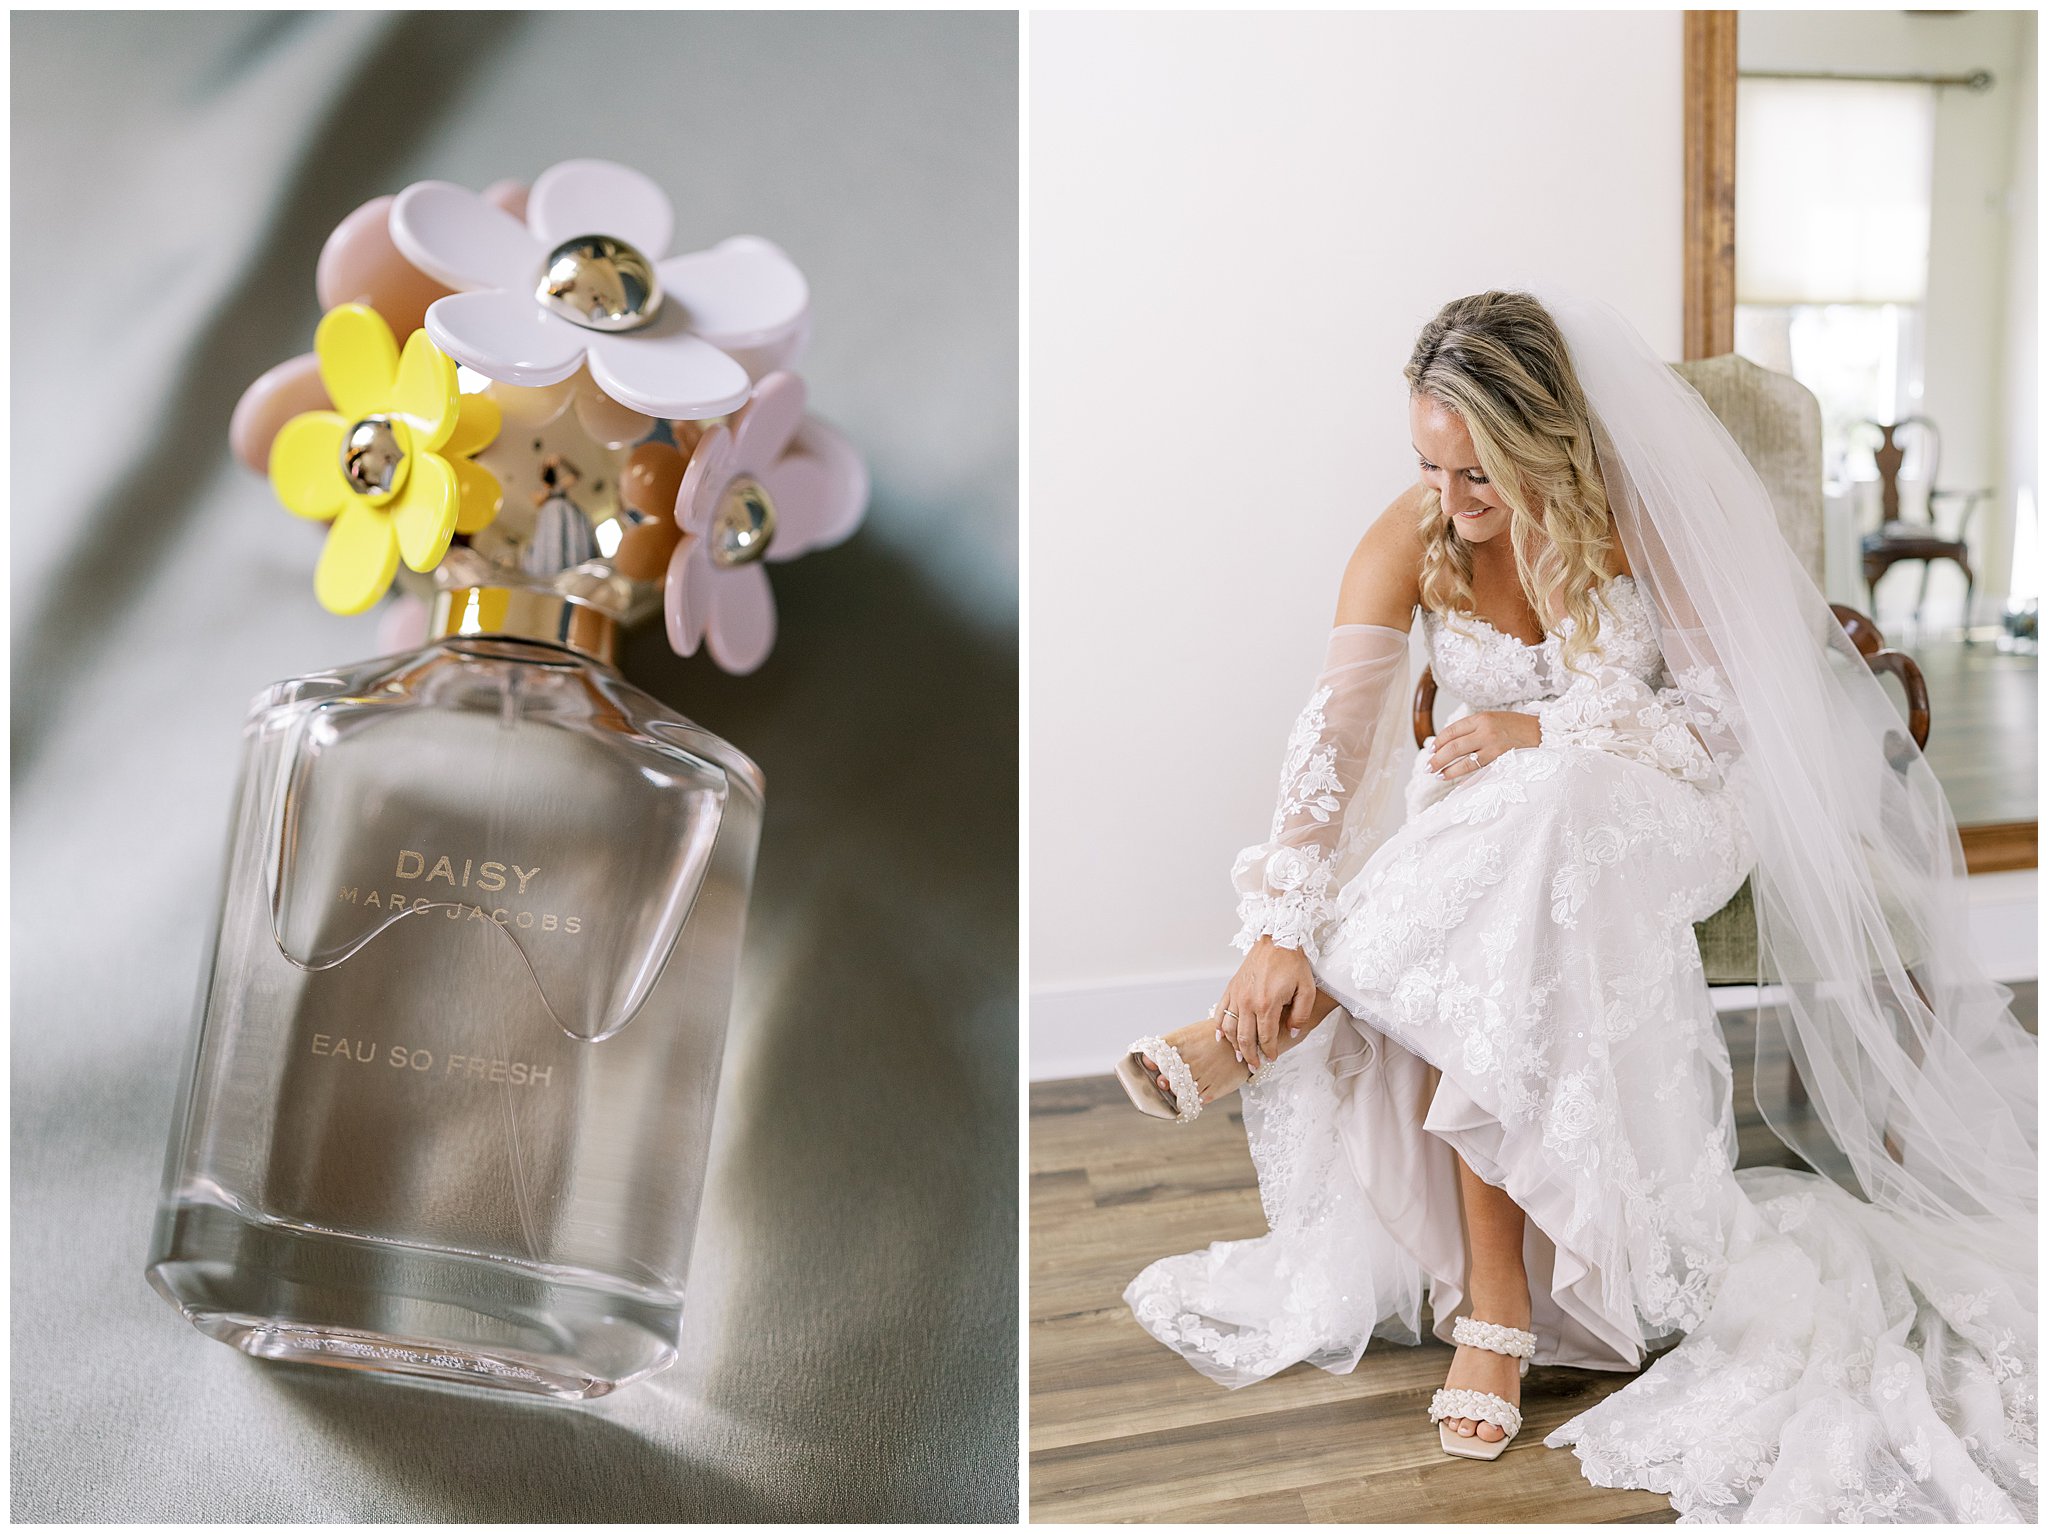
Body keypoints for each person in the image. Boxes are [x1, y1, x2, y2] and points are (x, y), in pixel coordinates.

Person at [1111, 290, 2037, 1520]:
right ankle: (1490, 1287)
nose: (1451, 500)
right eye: (1428, 465)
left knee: (1542, 799)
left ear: (1545, 442)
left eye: (1477, 471)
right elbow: (1332, 740)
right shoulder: (1412, 531)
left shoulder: (1638, 518)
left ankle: (1306, 1018)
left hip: (1667, 808)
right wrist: (1276, 917)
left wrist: (1535, 726)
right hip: (1506, 851)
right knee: (1513, 854)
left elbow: (1717, 728)